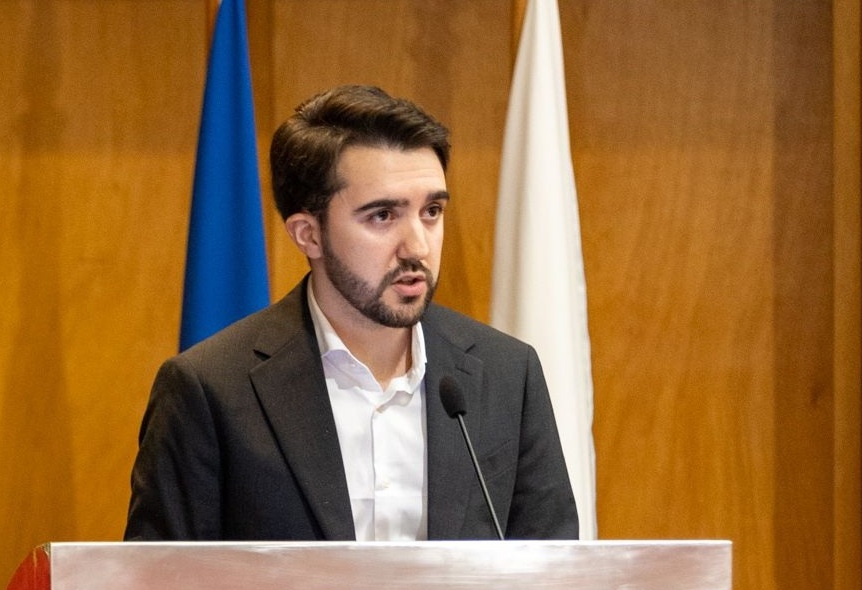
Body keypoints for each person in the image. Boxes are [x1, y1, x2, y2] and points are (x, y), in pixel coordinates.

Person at [125, 84, 578, 543]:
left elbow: (553, 580)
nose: (418, 246)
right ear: (309, 235)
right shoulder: (210, 389)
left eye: (432, 211)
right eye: (382, 216)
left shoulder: (505, 375)